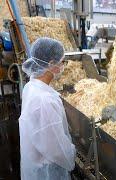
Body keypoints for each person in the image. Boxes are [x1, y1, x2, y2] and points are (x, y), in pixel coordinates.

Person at [19, 37, 76, 180]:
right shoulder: (45, 100)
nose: (64, 66)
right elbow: (58, 150)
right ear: (51, 64)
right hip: (48, 173)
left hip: (34, 167)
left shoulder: (30, 86)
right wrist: (72, 153)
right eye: (62, 61)